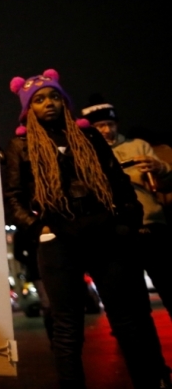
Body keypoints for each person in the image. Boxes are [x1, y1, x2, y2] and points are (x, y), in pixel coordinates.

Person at [2, 69, 170, 389]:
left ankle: (148, 382)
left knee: (127, 320)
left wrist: (125, 222)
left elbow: (119, 184)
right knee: (67, 326)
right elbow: (14, 197)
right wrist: (39, 229)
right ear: (28, 109)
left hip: (104, 230)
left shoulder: (89, 136)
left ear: (65, 101)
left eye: (54, 97)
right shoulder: (20, 146)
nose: (49, 103)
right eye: (39, 100)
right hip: (58, 237)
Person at [81, 96, 172, 317]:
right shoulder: (87, 155)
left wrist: (159, 167)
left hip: (152, 225)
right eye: (100, 125)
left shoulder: (138, 145)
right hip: (116, 231)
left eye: (110, 124)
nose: (106, 130)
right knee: (134, 300)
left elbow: (164, 184)